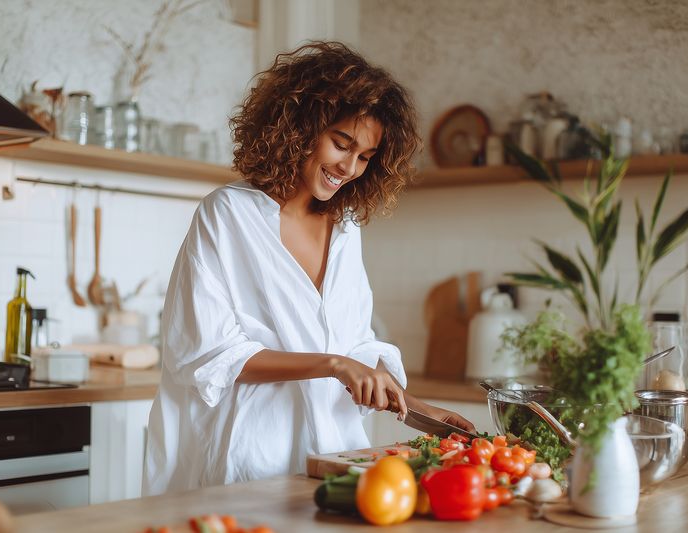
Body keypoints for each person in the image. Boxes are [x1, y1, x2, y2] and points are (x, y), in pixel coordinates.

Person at [143, 41, 476, 495]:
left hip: (335, 454)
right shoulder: (228, 214)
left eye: (365, 157)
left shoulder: (346, 227)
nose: (349, 167)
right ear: (300, 127)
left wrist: (414, 408)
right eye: (342, 143)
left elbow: (354, 343)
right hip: (253, 453)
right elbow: (212, 354)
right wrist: (334, 365)